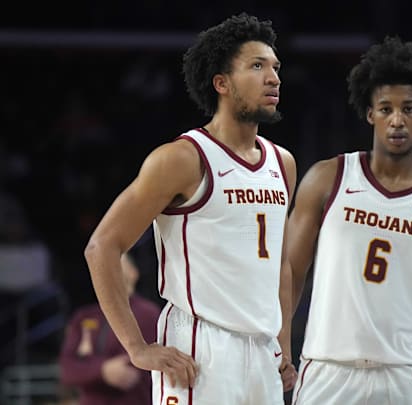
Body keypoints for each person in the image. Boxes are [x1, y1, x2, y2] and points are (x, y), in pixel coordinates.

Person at [83, 13, 298, 405]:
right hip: (201, 347)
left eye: (275, 67)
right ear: (222, 83)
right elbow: (102, 247)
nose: (274, 78)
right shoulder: (182, 159)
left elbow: (280, 263)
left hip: (263, 348)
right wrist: (137, 348)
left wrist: (283, 341)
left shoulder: (282, 162)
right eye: (257, 66)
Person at [288, 36, 412, 405]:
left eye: (409, 108)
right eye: (385, 109)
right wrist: (280, 348)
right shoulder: (327, 178)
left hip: (406, 373)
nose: (397, 120)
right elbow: (290, 273)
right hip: (329, 370)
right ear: (370, 114)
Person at [59, 252, 161, 405]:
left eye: (117, 259)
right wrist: (102, 370)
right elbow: (67, 369)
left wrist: (91, 369)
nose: (108, 266)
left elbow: (148, 368)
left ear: (134, 273)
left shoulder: (150, 315)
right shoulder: (85, 317)